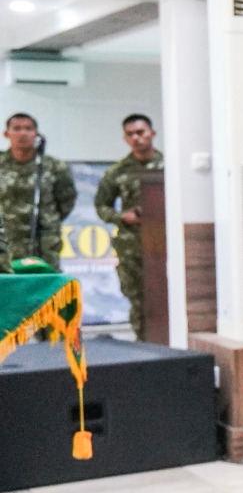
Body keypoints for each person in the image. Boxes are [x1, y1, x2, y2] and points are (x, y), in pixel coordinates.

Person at [94, 114, 164, 340]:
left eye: (141, 132)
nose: (136, 138)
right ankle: (143, 343)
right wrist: (122, 217)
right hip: (132, 245)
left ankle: (171, 343)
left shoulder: (170, 166)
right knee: (138, 299)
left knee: (168, 296)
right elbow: (102, 206)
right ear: (125, 138)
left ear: (152, 134)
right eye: (130, 134)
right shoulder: (117, 171)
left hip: (166, 242)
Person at [0, 112, 77, 270]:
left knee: (45, 282)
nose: (23, 133)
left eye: (28, 129)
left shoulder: (54, 166)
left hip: (43, 242)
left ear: (36, 134)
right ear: (6, 134)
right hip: (5, 241)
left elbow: (66, 201)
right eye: (17, 128)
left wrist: (48, 220)